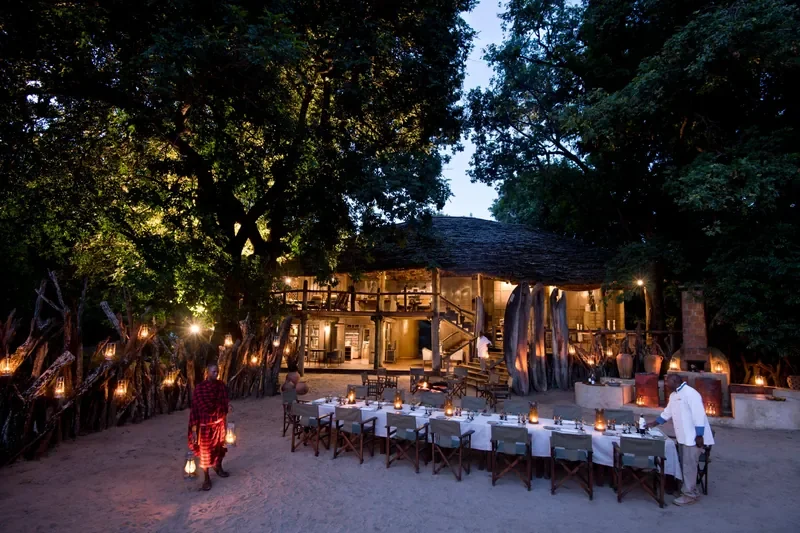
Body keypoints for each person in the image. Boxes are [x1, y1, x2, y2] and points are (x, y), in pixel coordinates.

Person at [647, 374, 715, 506]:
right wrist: (654, 423)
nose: (666, 384)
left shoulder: (691, 393)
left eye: (667, 382)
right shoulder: (673, 396)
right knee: (684, 464)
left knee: (689, 466)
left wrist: (699, 435)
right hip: (683, 437)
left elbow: (699, 415)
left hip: (693, 438)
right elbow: (667, 413)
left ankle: (689, 495)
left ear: (675, 381)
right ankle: (689, 490)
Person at [188, 363, 231, 491]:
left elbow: (224, 402)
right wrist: (194, 429)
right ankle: (206, 477)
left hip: (219, 424)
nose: (216, 374)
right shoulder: (200, 389)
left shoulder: (221, 386)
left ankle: (218, 466)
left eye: (217, 371)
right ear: (207, 373)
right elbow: (196, 408)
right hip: (205, 426)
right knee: (205, 452)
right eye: (213, 372)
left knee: (220, 448)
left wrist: (227, 407)